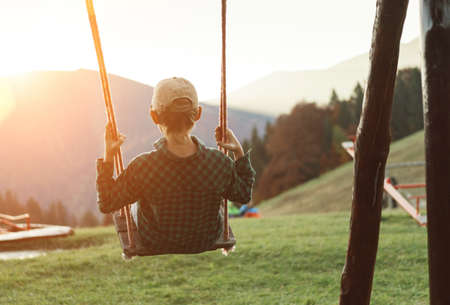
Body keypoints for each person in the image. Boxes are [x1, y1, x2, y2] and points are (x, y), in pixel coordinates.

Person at [96, 77, 255, 254]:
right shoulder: (219, 162)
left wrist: (109, 156)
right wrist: (239, 153)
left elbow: (107, 202)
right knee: (213, 190)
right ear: (198, 113)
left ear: (154, 116)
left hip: (157, 240)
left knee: (135, 201)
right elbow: (243, 194)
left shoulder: (143, 167)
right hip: (205, 239)